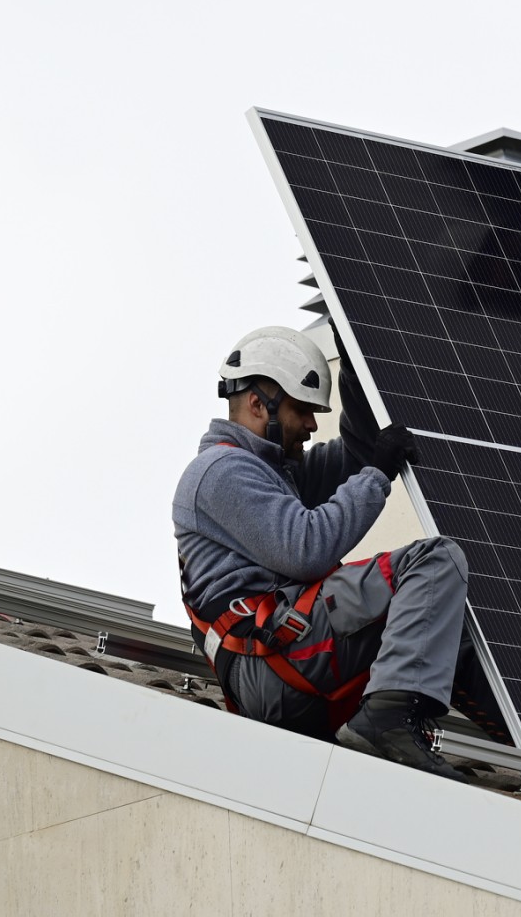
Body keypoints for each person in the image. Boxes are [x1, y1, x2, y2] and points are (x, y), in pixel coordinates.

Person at [172, 324, 474, 778]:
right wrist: (377, 477)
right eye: (302, 411)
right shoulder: (219, 472)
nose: (313, 425)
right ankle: (386, 720)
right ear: (257, 405)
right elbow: (306, 549)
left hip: (289, 656)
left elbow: (357, 455)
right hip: (271, 663)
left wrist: (356, 362)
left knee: (450, 620)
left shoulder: (275, 472)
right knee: (432, 563)